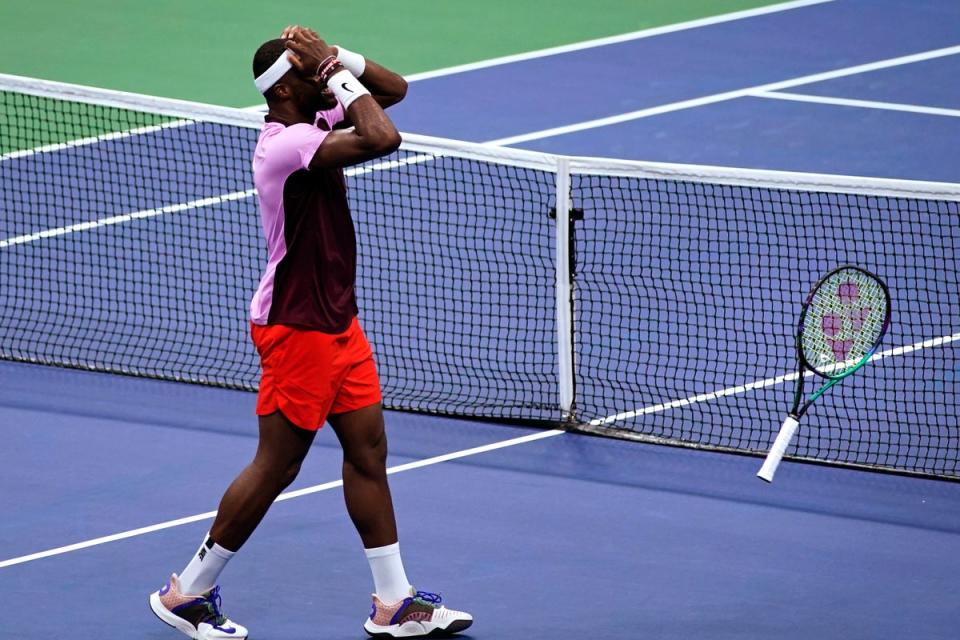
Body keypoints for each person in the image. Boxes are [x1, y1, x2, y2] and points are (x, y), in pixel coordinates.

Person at [149, 26, 473, 640]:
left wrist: (337, 59)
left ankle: (394, 602)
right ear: (288, 89)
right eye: (311, 72)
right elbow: (384, 135)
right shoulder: (285, 144)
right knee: (277, 465)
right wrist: (335, 74)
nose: (325, 81)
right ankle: (187, 592)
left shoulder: (308, 115)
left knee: (368, 451)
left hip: (337, 323)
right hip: (297, 327)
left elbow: (395, 92)